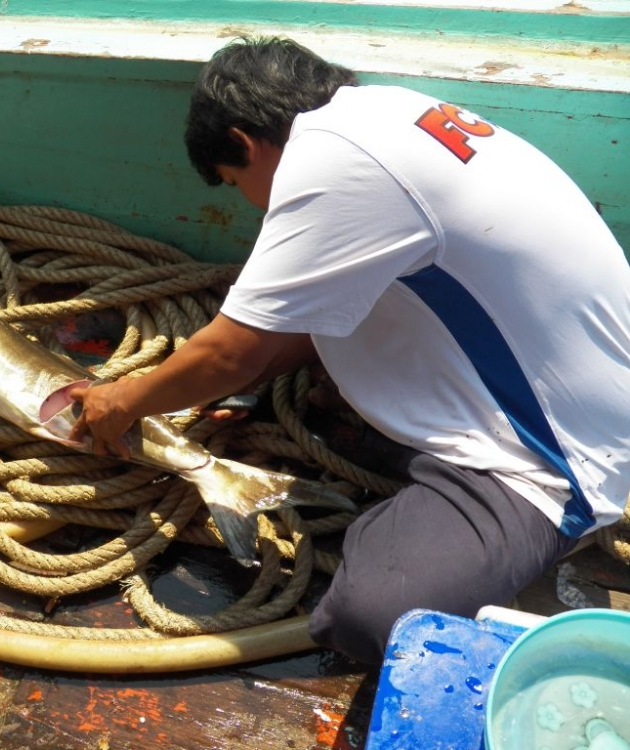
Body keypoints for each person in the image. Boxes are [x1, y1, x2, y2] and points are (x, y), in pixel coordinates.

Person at [69, 36, 630, 665]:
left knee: (374, 617)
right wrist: (244, 384)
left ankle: (460, 529)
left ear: (246, 142)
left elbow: (230, 353)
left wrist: (119, 401)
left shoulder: (334, 166)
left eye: (234, 182)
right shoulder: (383, 113)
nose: (250, 202)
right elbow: (280, 334)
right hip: (574, 374)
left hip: (553, 454)